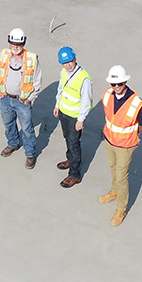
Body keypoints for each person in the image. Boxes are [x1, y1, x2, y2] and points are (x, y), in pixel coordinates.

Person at [100, 65, 142, 226]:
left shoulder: (136, 103)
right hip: (109, 140)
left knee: (122, 177)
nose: (116, 87)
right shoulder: (107, 94)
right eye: (113, 84)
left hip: (126, 145)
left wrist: (132, 135)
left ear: (126, 81)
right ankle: (114, 192)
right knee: (113, 167)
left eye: (119, 84)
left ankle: (121, 209)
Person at [0, 28, 42, 169]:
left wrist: (30, 98)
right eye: (13, 43)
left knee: (27, 128)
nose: (15, 47)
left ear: (23, 43)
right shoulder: (3, 54)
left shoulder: (32, 58)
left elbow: (37, 80)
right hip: (5, 98)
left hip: (22, 101)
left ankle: (30, 154)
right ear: (9, 42)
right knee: (8, 124)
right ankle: (12, 144)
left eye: (18, 44)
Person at [54, 46, 92, 188]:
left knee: (74, 143)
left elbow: (86, 102)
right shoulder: (64, 72)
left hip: (74, 117)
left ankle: (74, 175)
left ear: (75, 59)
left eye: (70, 61)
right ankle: (70, 159)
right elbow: (60, 90)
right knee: (68, 139)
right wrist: (57, 105)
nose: (68, 65)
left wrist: (80, 120)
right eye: (64, 63)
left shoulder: (84, 79)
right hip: (64, 113)